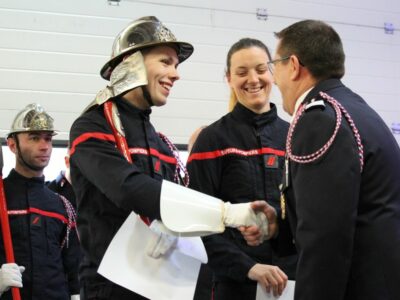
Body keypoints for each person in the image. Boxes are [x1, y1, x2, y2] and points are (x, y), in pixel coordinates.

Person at [241, 20, 400, 299]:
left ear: (295, 65)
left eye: (276, 65)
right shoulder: (355, 109)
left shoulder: (319, 121)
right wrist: (280, 228)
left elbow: (325, 240)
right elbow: (349, 208)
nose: (275, 79)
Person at [69, 16, 266, 300]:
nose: (176, 74)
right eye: (165, 62)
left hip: (161, 286)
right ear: (131, 63)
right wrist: (226, 213)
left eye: (175, 65)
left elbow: (185, 216)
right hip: (111, 289)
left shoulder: (160, 143)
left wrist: (244, 258)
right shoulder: (92, 126)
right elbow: (127, 187)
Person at [187, 38, 296, 300]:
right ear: (228, 78)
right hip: (234, 285)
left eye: (260, 69)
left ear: (272, 72)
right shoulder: (211, 141)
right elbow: (195, 223)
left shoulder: (295, 137)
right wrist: (248, 268)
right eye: (241, 72)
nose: (253, 79)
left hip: (290, 280)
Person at [0, 103, 80, 299]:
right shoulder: (2, 198)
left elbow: (73, 269)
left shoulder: (62, 206)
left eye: (48, 139)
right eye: (34, 138)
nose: (44, 146)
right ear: (12, 145)